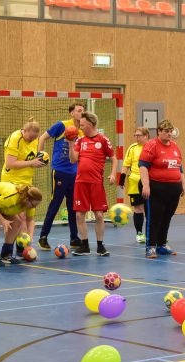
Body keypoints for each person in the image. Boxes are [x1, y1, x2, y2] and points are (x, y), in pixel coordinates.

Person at [37, 103, 84, 251]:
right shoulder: (61, 125)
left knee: (73, 206)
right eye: (79, 110)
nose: (81, 113)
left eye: (83, 111)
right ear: (71, 113)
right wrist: (40, 156)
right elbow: (42, 138)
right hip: (59, 171)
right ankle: (43, 237)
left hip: (74, 173)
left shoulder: (82, 132)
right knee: (55, 204)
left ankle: (74, 238)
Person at [68, 111, 116, 256]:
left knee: (99, 215)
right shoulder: (80, 141)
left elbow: (113, 158)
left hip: (96, 183)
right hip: (80, 182)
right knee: (79, 215)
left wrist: (113, 174)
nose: (80, 127)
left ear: (91, 124)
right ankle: (85, 246)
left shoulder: (103, 140)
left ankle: (100, 246)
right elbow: (73, 160)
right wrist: (71, 144)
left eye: (82, 124)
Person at [139, 119, 185, 258]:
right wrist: (146, 185)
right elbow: (143, 166)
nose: (169, 134)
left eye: (171, 131)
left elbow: (179, 167)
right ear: (159, 131)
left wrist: (183, 185)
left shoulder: (175, 147)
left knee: (167, 217)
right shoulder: (151, 145)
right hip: (156, 189)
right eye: (166, 131)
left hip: (174, 189)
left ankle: (162, 245)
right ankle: (150, 246)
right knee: (154, 218)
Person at [1, 118, 46, 248]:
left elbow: (36, 155)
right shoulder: (14, 139)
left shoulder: (35, 140)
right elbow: (10, 164)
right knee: (16, 216)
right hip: (11, 180)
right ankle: (10, 247)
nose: (32, 140)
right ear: (24, 131)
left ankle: (24, 245)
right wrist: (32, 162)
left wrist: (42, 160)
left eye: (35, 138)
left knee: (27, 215)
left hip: (27, 181)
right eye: (30, 137)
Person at [0, 182, 42, 266]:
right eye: (33, 205)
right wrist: (3, 220)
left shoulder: (30, 205)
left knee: (17, 222)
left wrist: (30, 237)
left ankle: (6, 254)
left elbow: (30, 220)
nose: (34, 207)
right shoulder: (12, 198)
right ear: (27, 199)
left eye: (36, 205)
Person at [120, 127, 149, 244]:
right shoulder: (132, 148)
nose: (137, 138)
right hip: (135, 182)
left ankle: (152, 234)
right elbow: (126, 164)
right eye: (135, 135)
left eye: (139, 135)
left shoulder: (151, 147)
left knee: (150, 209)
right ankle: (139, 233)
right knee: (138, 208)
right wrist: (122, 179)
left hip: (149, 181)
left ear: (146, 136)